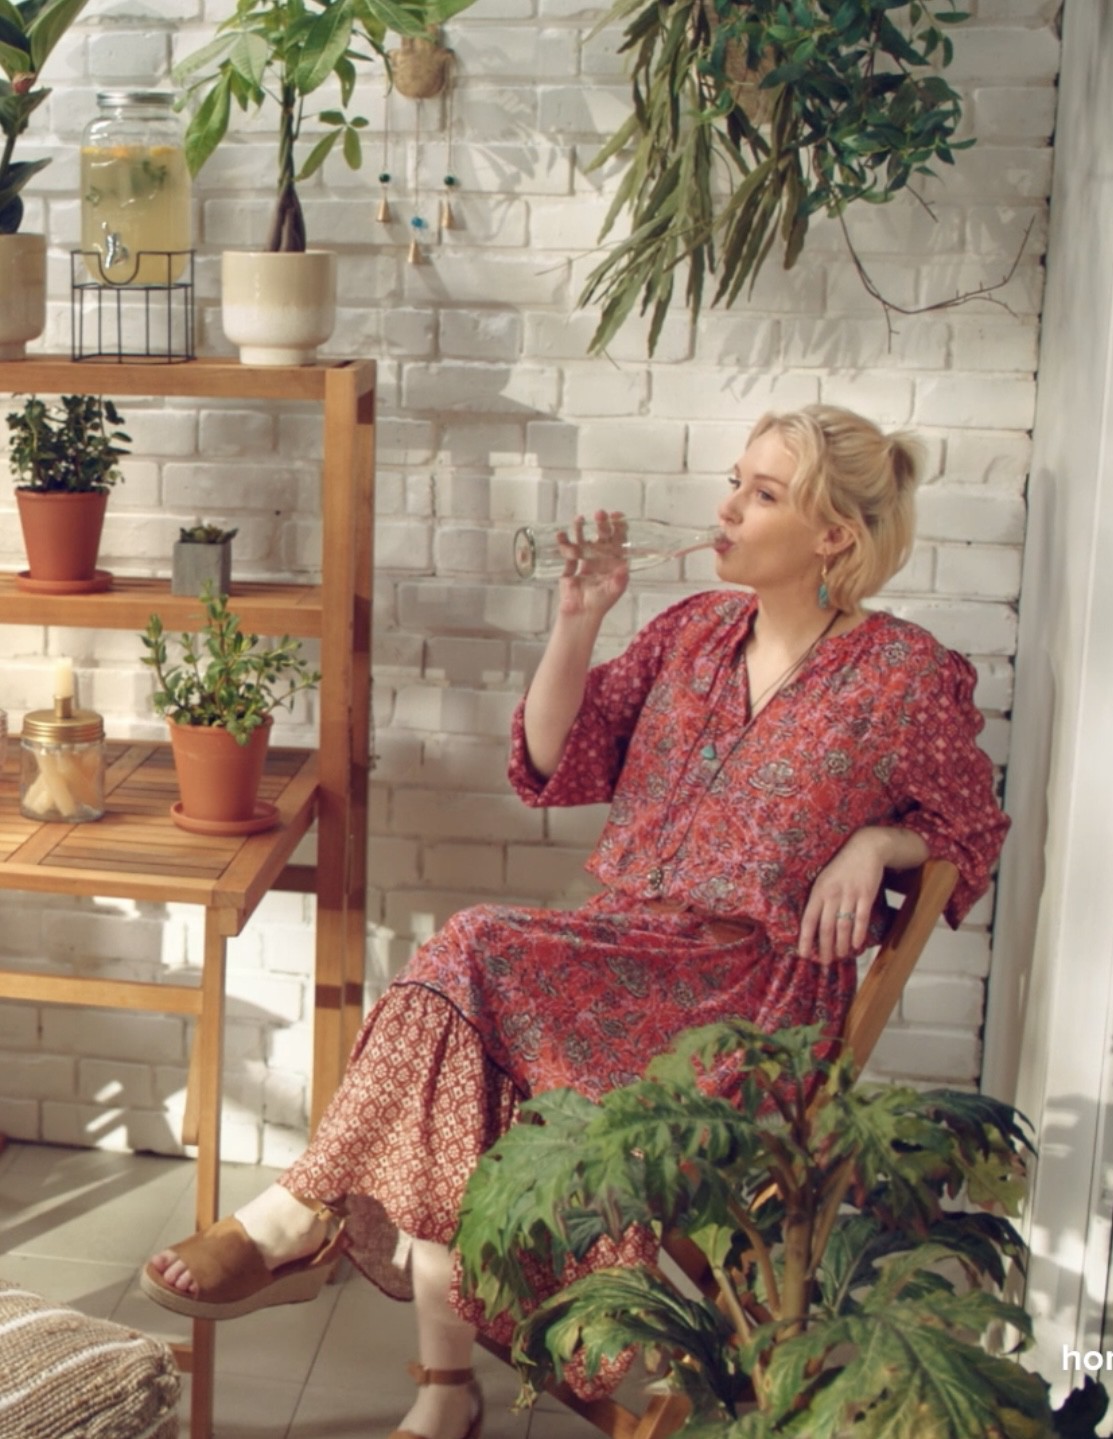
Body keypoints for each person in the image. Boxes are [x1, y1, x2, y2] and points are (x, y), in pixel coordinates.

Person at [141, 403, 1010, 1439]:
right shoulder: (694, 631)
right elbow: (557, 757)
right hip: (623, 958)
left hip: (747, 1001)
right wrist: (578, 618)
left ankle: (304, 1224)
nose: (728, 507)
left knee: (472, 955)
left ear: (833, 534)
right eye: (735, 481)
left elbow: (971, 825)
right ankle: (437, 1381)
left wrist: (879, 842)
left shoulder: (902, 675)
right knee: (461, 1050)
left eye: (763, 493)